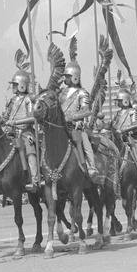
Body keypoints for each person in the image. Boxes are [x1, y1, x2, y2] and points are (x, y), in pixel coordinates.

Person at [59, 53, 99, 182]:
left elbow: (87, 111)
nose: (65, 78)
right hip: (61, 128)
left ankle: (91, 166)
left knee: (85, 142)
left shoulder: (82, 92)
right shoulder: (61, 93)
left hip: (76, 127)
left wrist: (72, 117)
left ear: (75, 77)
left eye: (68, 76)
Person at [2, 67, 40, 191]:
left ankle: (34, 179)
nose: (13, 87)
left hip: (25, 132)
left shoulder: (29, 99)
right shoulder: (12, 100)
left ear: (22, 85)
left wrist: (15, 122)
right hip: (11, 133)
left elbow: (31, 118)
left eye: (15, 84)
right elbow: (5, 117)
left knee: (30, 151)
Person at [110, 88, 137, 183]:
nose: (118, 103)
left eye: (119, 101)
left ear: (125, 101)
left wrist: (123, 130)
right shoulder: (117, 113)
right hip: (119, 137)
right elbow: (113, 123)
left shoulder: (132, 111)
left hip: (131, 136)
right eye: (118, 101)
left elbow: (135, 124)